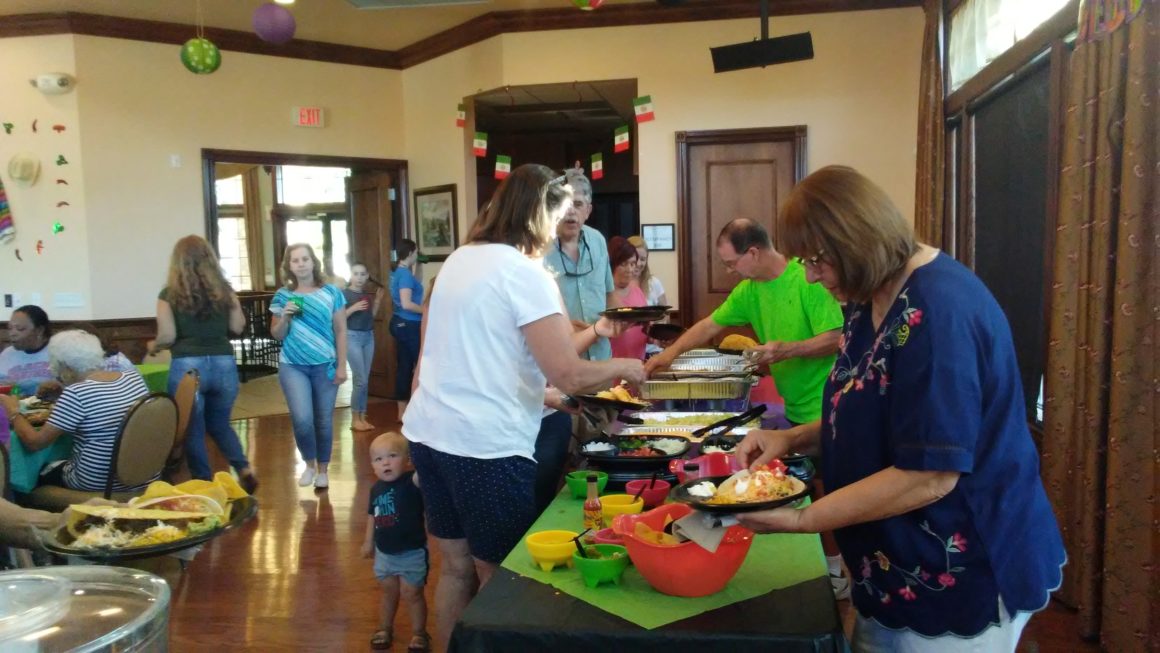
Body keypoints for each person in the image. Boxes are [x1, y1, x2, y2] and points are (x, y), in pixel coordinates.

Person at [734, 166, 1066, 651]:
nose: (809, 274)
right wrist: (792, 437)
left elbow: (930, 473)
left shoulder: (938, 311)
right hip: (894, 562)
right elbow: (871, 413)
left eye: (818, 259)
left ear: (857, 241)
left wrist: (806, 520)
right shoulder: (867, 297)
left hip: (958, 565)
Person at [402, 163, 645, 652]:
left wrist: (545, 395)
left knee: (454, 568)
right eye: (557, 220)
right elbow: (569, 373)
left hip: (429, 435)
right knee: (500, 573)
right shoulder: (524, 272)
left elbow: (460, 359)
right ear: (540, 216)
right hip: (483, 448)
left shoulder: (459, 259)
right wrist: (629, 367)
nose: (558, 233)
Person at [642, 217, 848, 595]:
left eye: (731, 262)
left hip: (828, 406)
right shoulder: (750, 290)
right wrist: (665, 357)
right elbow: (708, 326)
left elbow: (837, 337)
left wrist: (787, 349)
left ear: (753, 252)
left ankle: (835, 576)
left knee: (824, 491)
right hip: (799, 407)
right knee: (813, 486)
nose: (728, 271)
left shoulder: (806, 279)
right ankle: (828, 568)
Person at [152, 235, 258, 493]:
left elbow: (168, 336)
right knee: (220, 423)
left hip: (188, 366)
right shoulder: (225, 290)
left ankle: (204, 483)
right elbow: (237, 326)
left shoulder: (168, 294)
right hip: (223, 363)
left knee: (193, 429)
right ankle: (243, 468)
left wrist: (154, 346)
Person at [1, 330, 151, 492]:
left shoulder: (77, 393)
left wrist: (13, 411)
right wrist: (63, 393)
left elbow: (35, 443)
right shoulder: (132, 377)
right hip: (144, 473)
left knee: (34, 474)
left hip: (98, 481)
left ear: (67, 368)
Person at [270, 243, 348, 490]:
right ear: (289, 266)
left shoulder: (332, 293)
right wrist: (285, 317)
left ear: (313, 262)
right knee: (303, 419)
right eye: (295, 260)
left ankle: (323, 469)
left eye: (305, 259)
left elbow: (341, 330)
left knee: (323, 419)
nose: (301, 263)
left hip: (325, 364)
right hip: (293, 365)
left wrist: (342, 366)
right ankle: (309, 464)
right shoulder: (283, 296)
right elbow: (277, 335)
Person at [361, 432, 430, 653]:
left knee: (412, 593)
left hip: (412, 552)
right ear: (372, 465)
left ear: (407, 459)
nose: (386, 462)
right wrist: (367, 541)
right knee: (388, 591)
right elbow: (372, 515)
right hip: (384, 553)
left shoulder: (411, 481)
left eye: (393, 455)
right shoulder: (376, 489)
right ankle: (384, 628)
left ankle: (419, 633)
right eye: (379, 459)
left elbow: (424, 473)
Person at [542, 167, 615, 361]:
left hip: (600, 355)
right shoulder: (540, 248)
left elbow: (609, 294)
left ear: (588, 210)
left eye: (577, 204)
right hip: (560, 358)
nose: (571, 212)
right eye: (564, 204)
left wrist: (632, 320)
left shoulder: (598, 241)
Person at [345, 262, 385, 431]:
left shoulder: (367, 295)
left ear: (367, 276)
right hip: (351, 337)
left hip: (368, 336)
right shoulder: (344, 294)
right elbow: (338, 318)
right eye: (356, 274)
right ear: (351, 275)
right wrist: (353, 308)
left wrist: (377, 302)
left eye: (362, 274)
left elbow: (371, 317)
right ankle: (355, 418)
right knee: (360, 379)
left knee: (364, 379)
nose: (359, 278)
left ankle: (362, 417)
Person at [389, 240, 424, 413]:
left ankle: (402, 412)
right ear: (410, 253)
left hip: (400, 323)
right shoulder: (404, 276)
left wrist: (419, 266)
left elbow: (415, 285)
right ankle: (416, 410)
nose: (417, 254)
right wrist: (426, 311)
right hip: (409, 324)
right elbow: (407, 303)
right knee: (419, 366)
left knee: (404, 366)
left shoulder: (400, 273)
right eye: (416, 252)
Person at [607, 236, 648, 360]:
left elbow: (645, 327)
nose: (630, 269)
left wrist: (655, 337)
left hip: (637, 365)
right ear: (613, 265)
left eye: (632, 263)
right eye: (623, 264)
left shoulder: (637, 291)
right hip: (611, 367)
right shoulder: (603, 294)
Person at [628, 235, 669, 357]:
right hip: (630, 352)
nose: (639, 263)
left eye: (643, 259)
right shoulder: (617, 286)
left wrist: (661, 328)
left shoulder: (654, 283)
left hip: (653, 351)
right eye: (635, 258)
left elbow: (665, 315)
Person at [0, 305, 53, 396]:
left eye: (20, 329)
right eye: (10, 328)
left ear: (39, 330)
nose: (12, 333)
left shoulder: (58, 351)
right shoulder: (7, 354)